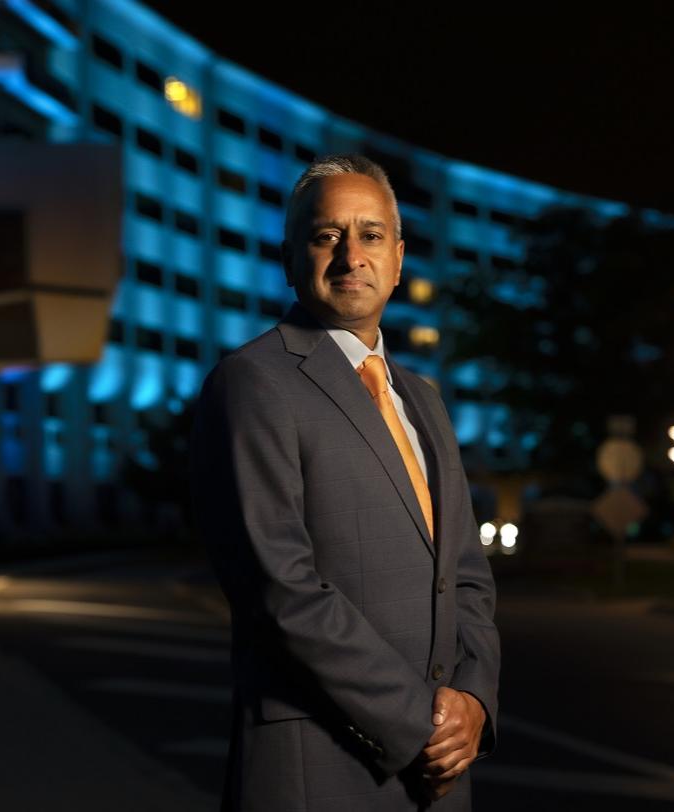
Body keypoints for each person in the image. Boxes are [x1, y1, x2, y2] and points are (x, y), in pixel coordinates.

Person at [192, 154, 500, 810]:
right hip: (320, 764)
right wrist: (417, 719)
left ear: (398, 257)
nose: (350, 254)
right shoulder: (253, 382)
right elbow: (279, 586)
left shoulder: (424, 399)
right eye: (326, 235)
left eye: (370, 234)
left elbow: (467, 575)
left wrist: (473, 699)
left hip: (441, 772)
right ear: (291, 257)